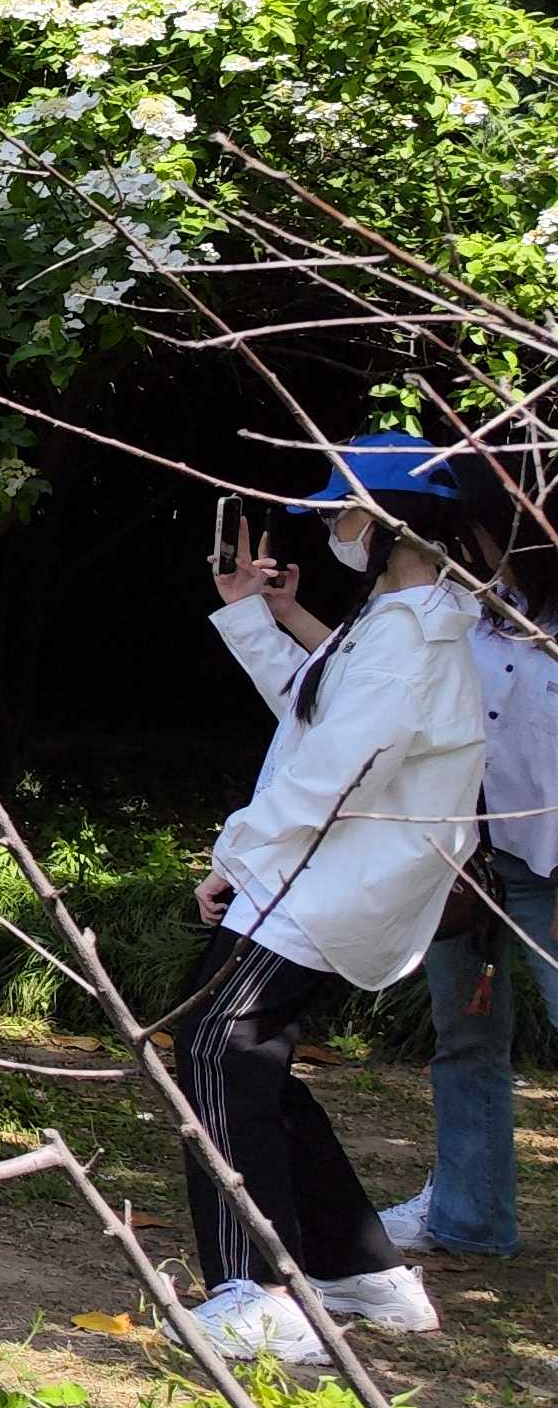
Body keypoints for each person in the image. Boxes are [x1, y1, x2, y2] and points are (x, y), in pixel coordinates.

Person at [182, 433, 490, 1360]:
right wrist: (251, 617)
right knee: (245, 1058)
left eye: (342, 509)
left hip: (319, 876)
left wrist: (237, 849)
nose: (333, 526)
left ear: (379, 516)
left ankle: (263, 1292)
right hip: (319, 870)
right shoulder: (401, 616)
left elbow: (338, 767)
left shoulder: (408, 627)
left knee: (215, 1044)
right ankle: (361, 1268)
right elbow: (314, 712)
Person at [380, 496, 558, 1262]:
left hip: (550, 867)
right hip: (470, 866)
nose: (476, 544)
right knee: (463, 1039)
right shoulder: (469, 615)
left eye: (489, 529)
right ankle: (469, 1216)